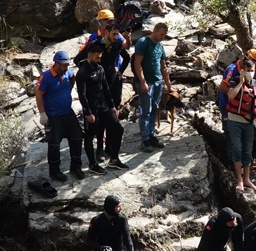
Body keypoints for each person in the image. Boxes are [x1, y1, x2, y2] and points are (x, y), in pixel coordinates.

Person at [74, 22, 130, 163]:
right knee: (99, 120)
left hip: (114, 84)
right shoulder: (96, 44)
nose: (116, 37)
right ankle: (99, 148)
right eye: (114, 34)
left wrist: (120, 72)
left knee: (113, 115)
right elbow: (77, 60)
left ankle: (109, 147)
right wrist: (89, 74)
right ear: (106, 33)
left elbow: (127, 57)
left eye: (118, 34)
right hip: (98, 87)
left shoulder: (117, 43)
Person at [35, 50, 85, 182]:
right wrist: (42, 113)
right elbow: (38, 94)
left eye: (67, 65)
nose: (66, 68)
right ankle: (55, 171)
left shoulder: (67, 72)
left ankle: (76, 167)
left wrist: (67, 91)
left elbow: (72, 77)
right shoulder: (46, 77)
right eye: (64, 65)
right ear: (56, 64)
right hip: (53, 116)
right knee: (54, 144)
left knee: (77, 137)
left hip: (68, 113)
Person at [133, 22, 174, 152]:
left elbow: (164, 67)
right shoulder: (143, 42)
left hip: (157, 82)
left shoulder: (160, 47)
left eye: (164, 35)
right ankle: (145, 139)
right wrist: (143, 82)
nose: (162, 37)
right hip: (146, 83)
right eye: (161, 34)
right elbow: (137, 63)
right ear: (155, 31)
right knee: (145, 110)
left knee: (155, 109)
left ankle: (151, 135)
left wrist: (168, 86)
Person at [218, 49, 256, 162]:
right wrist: (236, 94)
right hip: (227, 107)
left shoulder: (250, 73)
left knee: (244, 137)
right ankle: (232, 164)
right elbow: (223, 87)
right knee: (231, 135)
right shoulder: (232, 70)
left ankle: (243, 162)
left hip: (242, 110)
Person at [226, 59, 256, 192]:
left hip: (248, 123)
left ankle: (247, 178)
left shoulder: (255, 83)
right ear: (242, 71)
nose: (250, 73)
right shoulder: (234, 80)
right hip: (235, 121)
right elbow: (231, 96)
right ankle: (239, 180)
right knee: (237, 149)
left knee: (248, 151)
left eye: (252, 71)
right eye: (248, 71)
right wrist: (241, 82)